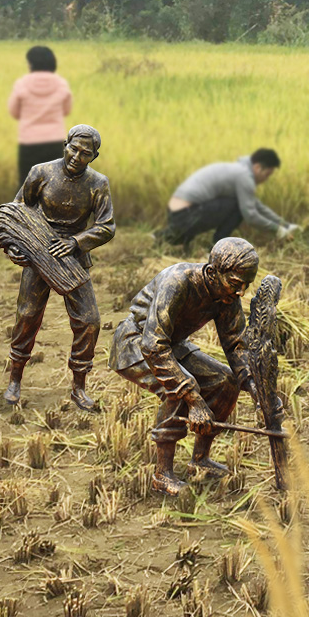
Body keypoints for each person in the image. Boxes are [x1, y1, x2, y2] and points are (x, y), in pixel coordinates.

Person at [108, 238, 267, 495]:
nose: (241, 293)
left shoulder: (226, 297)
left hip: (172, 345)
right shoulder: (177, 282)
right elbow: (153, 345)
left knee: (226, 382)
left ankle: (200, 460)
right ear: (213, 272)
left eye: (246, 285)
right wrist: (193, 398)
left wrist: (254, 385)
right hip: (135, 343)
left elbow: (236, 346)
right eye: (236, 284)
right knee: (179, 388)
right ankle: (162, 475)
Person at [4, 124, 115, 411]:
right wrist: (16, 245)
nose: (77, 156)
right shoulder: (41, 172)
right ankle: (14, 379)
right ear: (65, 144)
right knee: (27, 315)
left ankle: (79, 387)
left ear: (94, 156)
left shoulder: (98, 184)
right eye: (73, 148)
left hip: (73, 259)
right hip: (39, 250)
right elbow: (17, 210)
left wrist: (77, 243)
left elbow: (106, 227)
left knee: (89, 322)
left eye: (85, 153)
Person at [157, 148, 299, 250]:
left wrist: (285, 225)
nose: (266, 179)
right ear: (257, 167)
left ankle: (167, 235)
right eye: (267, 174)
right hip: (186, 215)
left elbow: (256, 205)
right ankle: (216, 247)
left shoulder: (238, 171)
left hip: (178, 213)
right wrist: (278, 230)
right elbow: (250, 215)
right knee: (238, 207)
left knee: (237, 204)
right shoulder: (244, 177)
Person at [8, 45, 73, 187]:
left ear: (31, 64)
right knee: (55, 187)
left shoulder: (22, 84)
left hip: (28, 143)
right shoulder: (61, 84)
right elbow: (67, 110)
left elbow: (13, 111)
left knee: (27, 186)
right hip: (55, 143)